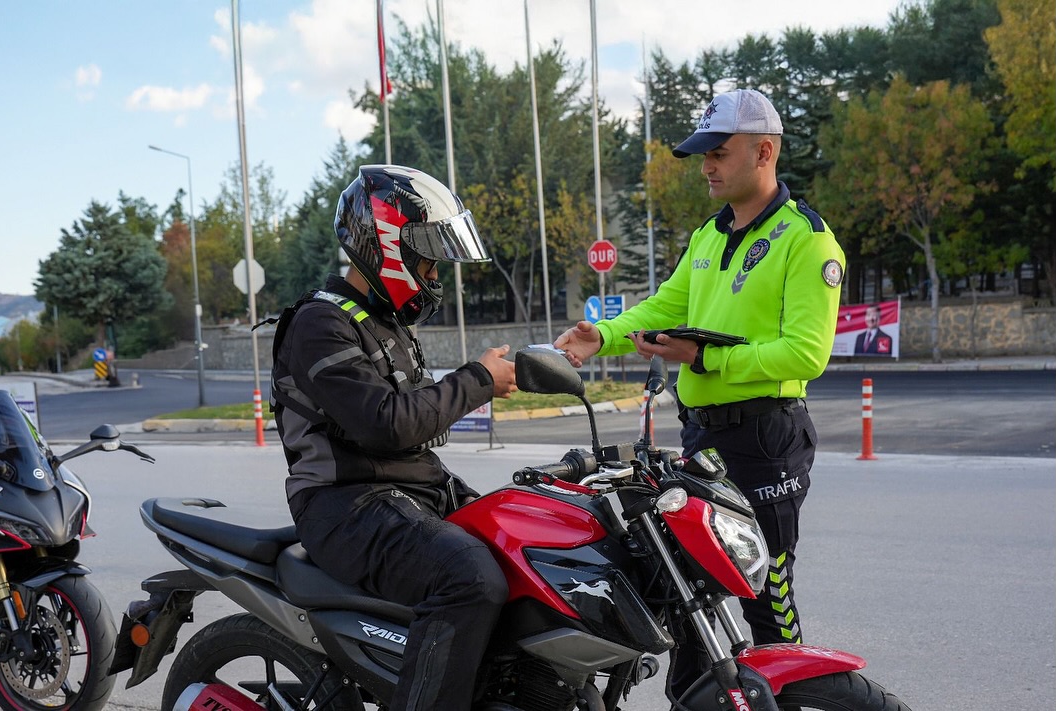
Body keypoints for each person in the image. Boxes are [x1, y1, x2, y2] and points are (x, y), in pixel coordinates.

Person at [553, 89, 845, 701]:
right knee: (692, 591)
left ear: (764, 151)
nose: (706, 164)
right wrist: (600, 334)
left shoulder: (808, 239)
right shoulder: (709, 236)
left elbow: (806, 354)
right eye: (702, 154)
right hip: (703, 437)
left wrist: (707, 357)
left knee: (766, 596)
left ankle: (791, 696)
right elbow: (668, 304)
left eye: (718, 151)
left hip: (766, 439)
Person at [270, 164, 516, 710]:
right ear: (386, 244)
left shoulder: (383, 322)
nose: (433, 273)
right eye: (427, 258)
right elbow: (387, 423)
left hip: (407, 493)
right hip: (345, 505)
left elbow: (413, 424)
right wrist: (478, 381)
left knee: (523, 536)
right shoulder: (320, 323)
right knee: (471, 577)